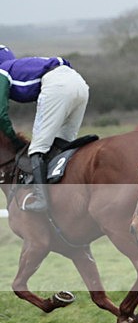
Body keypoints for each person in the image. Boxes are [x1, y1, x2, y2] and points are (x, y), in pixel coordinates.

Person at [0, 44, 90, 212]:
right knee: (62, 145)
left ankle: (42, 199)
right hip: (80, 84)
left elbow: (0, 114)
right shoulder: (20, 66)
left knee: (37, 148)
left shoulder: (2, 72)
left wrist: (13, 139)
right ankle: (69, 195)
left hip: (57, 87)